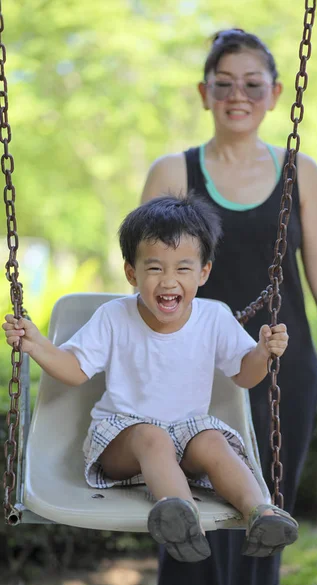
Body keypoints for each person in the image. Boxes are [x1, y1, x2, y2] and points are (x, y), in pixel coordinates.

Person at [141, 29, 317, 585]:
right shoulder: (173, 172)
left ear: (274, 93)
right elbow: (144, 277)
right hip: (191, 370)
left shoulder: (299, 171)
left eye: (252, 84)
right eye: (225, 83)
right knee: (190, 516)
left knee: (262, 518)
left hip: (284, 370)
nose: (238, 95)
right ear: (204, 92)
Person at [2, 193, 298, 563]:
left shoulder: (213, 319)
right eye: (155, 268)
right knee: (152, 437)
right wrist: (36, 344)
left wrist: (262, 353)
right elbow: (74, 370)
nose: (168, 281)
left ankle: (261, 514)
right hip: (124, 437)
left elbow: (244, 376)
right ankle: (180, 513)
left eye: (183, 269)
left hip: (187, 435)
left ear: (203, 272)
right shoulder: (114, 317)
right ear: (132, 272)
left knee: (212, 439)